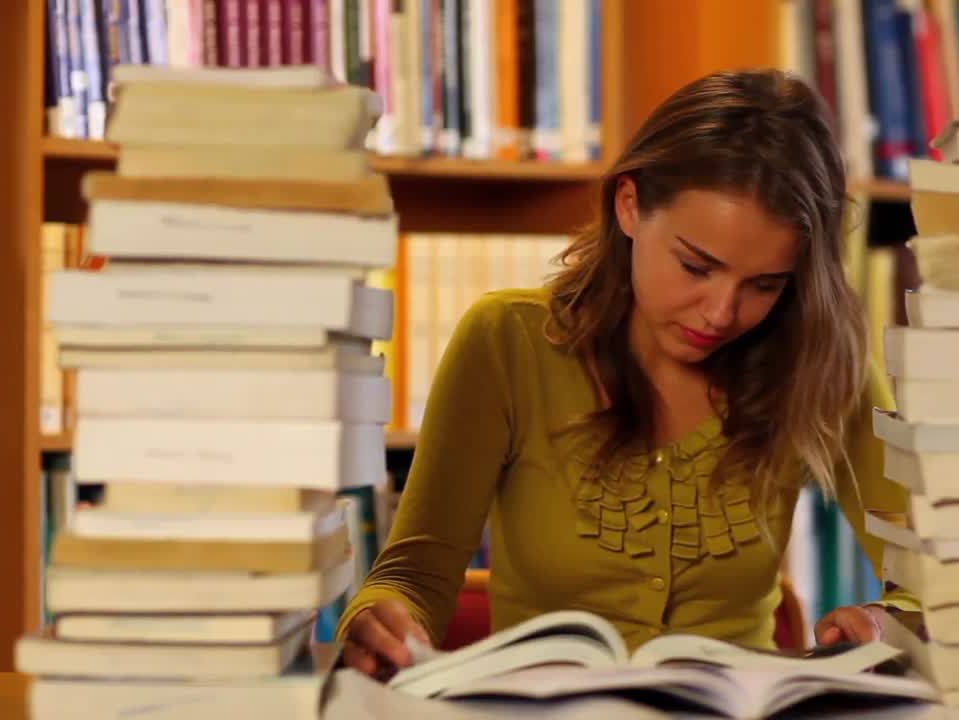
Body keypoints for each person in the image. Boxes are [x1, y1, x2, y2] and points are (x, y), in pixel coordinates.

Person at [337, 68, 917, 677]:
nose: (721, 313)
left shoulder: (822, 362)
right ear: (630, 206)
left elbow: (935, 579)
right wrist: (381, 618)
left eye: (765, 285)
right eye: (696, 267)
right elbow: (412, 578)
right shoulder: (506, 343)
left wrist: (884, 622)